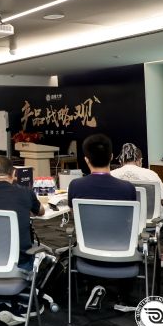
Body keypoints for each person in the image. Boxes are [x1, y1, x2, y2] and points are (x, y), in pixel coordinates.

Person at [67, 133, 137, 313]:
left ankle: (93, 285)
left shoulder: (76, 185)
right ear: (111, 157)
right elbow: (129, 219)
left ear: (86, 159)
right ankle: (123, 297)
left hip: (88, 249)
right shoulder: (127, 188)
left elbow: (75, 215)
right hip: (122, 250)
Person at [0, 156, 44, 326]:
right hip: (18, 261)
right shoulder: (25, 193)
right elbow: (41, 211)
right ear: (13, 174)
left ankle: (5, 301)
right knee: (41, 254)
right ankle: (21, 302)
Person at [111, 143, 163, 268]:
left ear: (121, 160)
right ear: (139, 160)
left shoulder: (112, 175)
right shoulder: (150, 174)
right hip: (149, 222)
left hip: (121, 221)